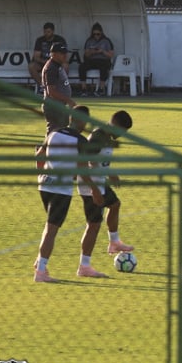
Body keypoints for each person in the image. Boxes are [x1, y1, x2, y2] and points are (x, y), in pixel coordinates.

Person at [33, 105, 103, 282]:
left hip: (45, 186)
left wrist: (42, 174)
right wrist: (94, 190)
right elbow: (82, 170)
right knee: (51, 229)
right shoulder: (80, 141)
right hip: (61, 190)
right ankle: (41, 271)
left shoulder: (54, 133)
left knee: (49, 226)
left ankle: (39, 263)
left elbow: (39, 156)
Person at [75, 110, 136, 278]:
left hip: (100, 183)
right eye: (122, 131)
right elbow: (87, 159)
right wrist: (94, 189)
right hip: (91, 185)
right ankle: (84, 266)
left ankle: (114, 242)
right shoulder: (98, 136)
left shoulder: (107, 137)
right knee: (93, 225)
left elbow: (100, 160)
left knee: (115, 205)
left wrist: (110, 173)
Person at [41, 41, 77, 135]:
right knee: (55, 133)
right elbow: (51, 91)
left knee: (59, 133)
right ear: (53, 54)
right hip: (53, 106)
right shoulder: (51, 68)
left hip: (58, 105)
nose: (65, 55)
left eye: (65, 53)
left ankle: (44, 149)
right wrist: (68, 100)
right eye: (62, 53)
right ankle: (43, 149)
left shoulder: (57, 65)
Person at [29, 22, 67, 92]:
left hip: (56, 63)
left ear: (53, 31)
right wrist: (46, 62)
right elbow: (36, 56)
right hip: (43, 62)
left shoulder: (59, 40)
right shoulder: (40, 40)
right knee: (31, 66)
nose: (46, 34)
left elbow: (64, 55)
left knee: (65, 65)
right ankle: (42, 86)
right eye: (45, 32)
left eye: (48, 32)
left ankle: (59, 87)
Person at [80, 22, 114, 97]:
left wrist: (102, 51)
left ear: (101, 33)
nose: (96, 36)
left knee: (104, 67)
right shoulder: (89, 41)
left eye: (98, 34)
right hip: (91, 60)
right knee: (82, 66)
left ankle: (101, 88)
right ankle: (83, 88)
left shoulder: (106, 41)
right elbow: (86, 54)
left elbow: (111, 55)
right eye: (94, 34)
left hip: (103, 60)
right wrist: (92, 52)